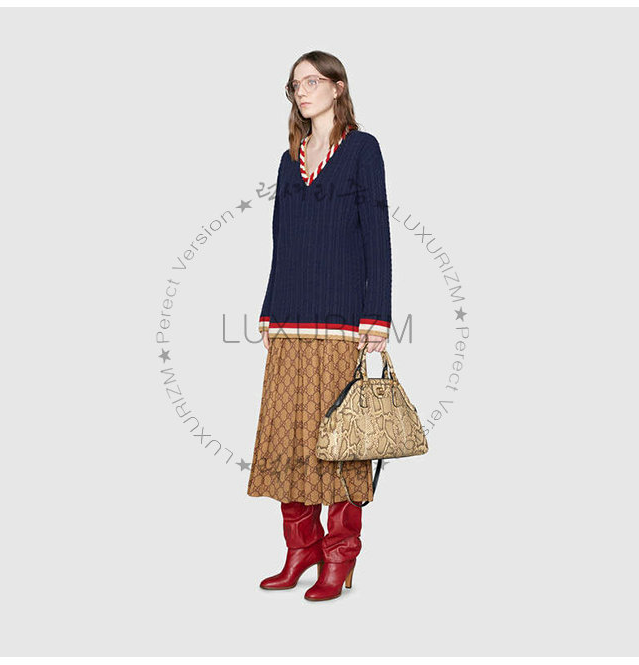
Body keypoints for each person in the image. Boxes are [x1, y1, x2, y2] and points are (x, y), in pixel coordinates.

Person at [247, 50, 392, 602]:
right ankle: (300, 550)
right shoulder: (290, 159)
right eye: (295, 85)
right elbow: (280, 241)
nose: (302, 91)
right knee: (288, 439)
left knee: (341, 444)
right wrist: (269, 309)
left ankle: (340, 556)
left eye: (312, 81)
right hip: (289, 322)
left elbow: (377, 234)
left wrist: (376, 316)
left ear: (337, 87)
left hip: (342, 325)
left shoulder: (362, 149)